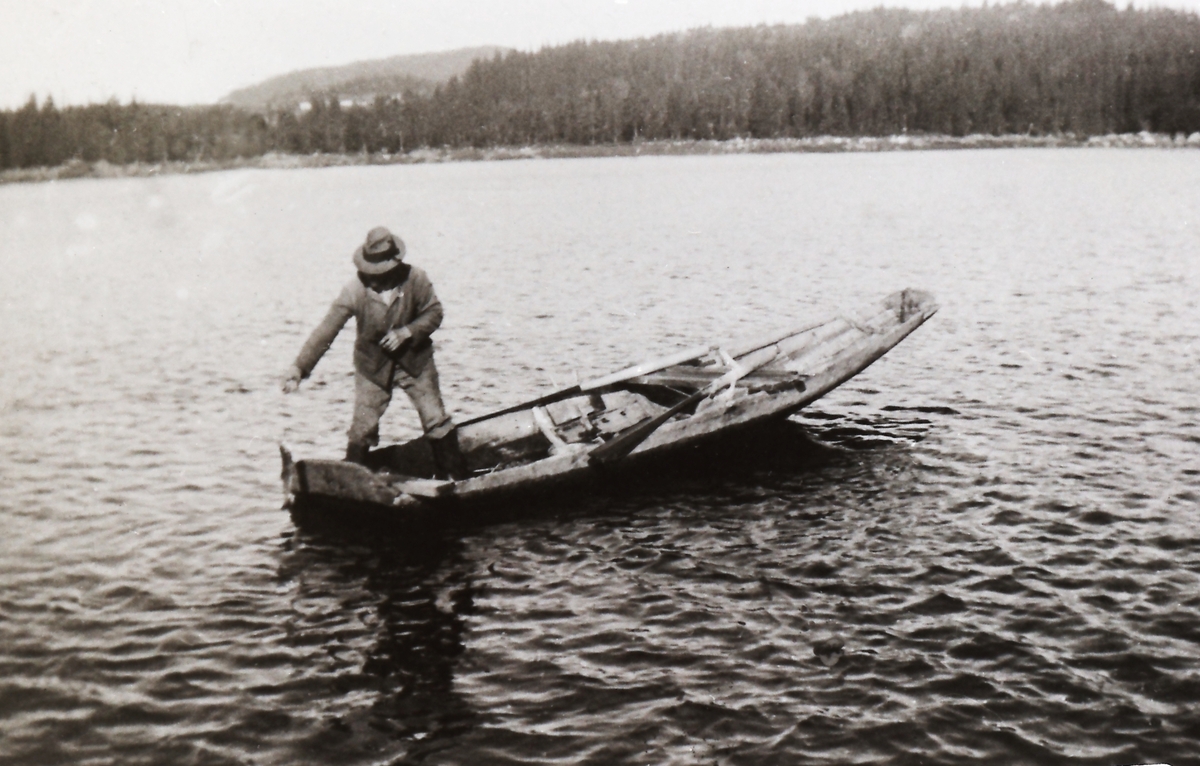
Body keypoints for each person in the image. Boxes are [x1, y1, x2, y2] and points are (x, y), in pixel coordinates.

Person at [282, 226, 468, 480]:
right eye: (370, 273)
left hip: (415, 362)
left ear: (394, 265)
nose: (375, 278)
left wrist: (408, 332)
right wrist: (299, 368)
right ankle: (351, 482)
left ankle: (455, 480)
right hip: (372, 368)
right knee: (362, 429)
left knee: (435, 419)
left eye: (381, 273)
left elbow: (434, 312)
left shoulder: (416, 279)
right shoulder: (354, 291)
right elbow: (327, 329)